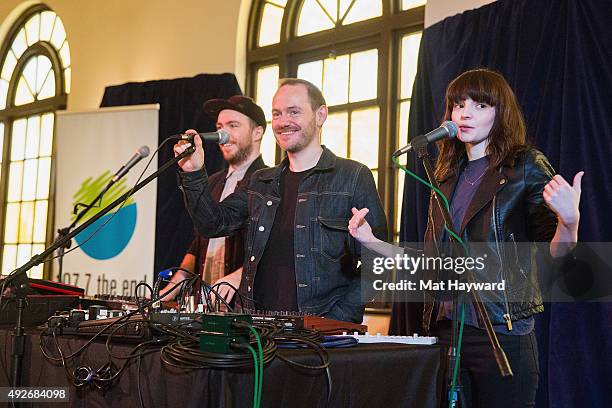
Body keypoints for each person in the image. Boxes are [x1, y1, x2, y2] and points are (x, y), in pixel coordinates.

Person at [347, 69, 583, 407]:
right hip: (446, 333)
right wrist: (372, 242)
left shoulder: (524, 166)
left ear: (501, 112)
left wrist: (570, 221)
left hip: (501, 334)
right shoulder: (445, 177)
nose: (465, 113)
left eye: (480, 105)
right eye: (458, 105)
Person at [174, 78, 387, 323]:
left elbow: (377, 264)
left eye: (293, 112)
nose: (283, 121)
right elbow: (213, 224)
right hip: (257, 332)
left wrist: (338, 319)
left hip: (318, 339)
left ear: (320, 115)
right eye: (276, 114)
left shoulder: (352, 177)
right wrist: (193, 173)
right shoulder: (261, 182)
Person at [160, 95, 267, 302]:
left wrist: (240, 276)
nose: (222, 134)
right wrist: (172, 287)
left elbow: (271, 247)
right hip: (205, 300)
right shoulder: (212, 181)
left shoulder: (266, 181)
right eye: (219, 126)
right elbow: (198, 243)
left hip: (240, 304)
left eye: (233, 125)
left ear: (257, 132)